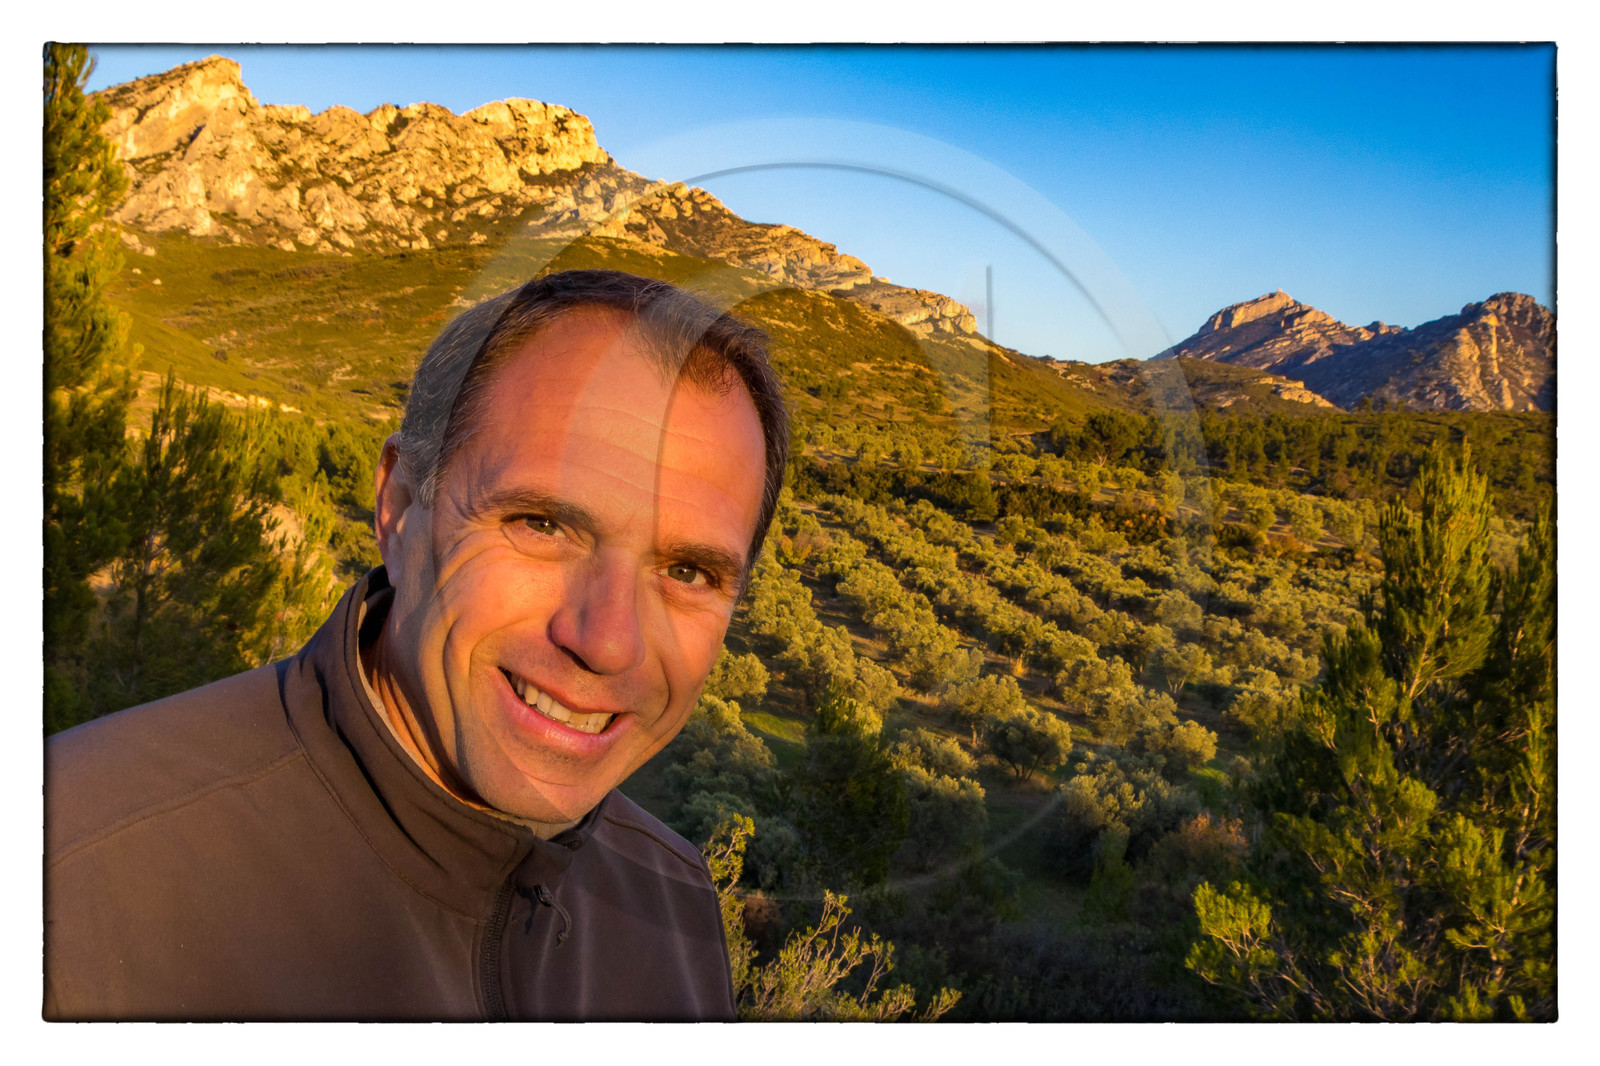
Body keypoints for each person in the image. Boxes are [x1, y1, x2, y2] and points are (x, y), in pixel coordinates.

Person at [44, 269, 790, 1021]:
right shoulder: (66, 872)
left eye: (689, 571)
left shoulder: (676, 901)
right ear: (401, 511)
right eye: (541, 524)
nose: (607, 641)